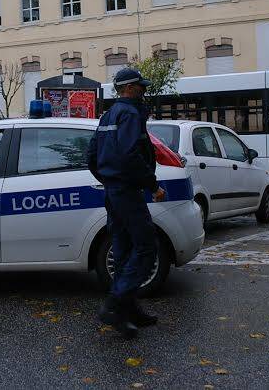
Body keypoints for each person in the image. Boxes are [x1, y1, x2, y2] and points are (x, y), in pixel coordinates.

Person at [87, 68, 165, 338]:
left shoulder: (108, 115)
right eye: (141, 87)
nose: (144, 91)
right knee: (145, 247)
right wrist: (152, 185)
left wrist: (109, 180)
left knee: (122, 250)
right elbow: (131, 154)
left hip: (113, 191)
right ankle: (115, 304)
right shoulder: (130, 114)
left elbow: (91, 156)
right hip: (127, 191)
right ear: (130, 88)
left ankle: (129, 309)